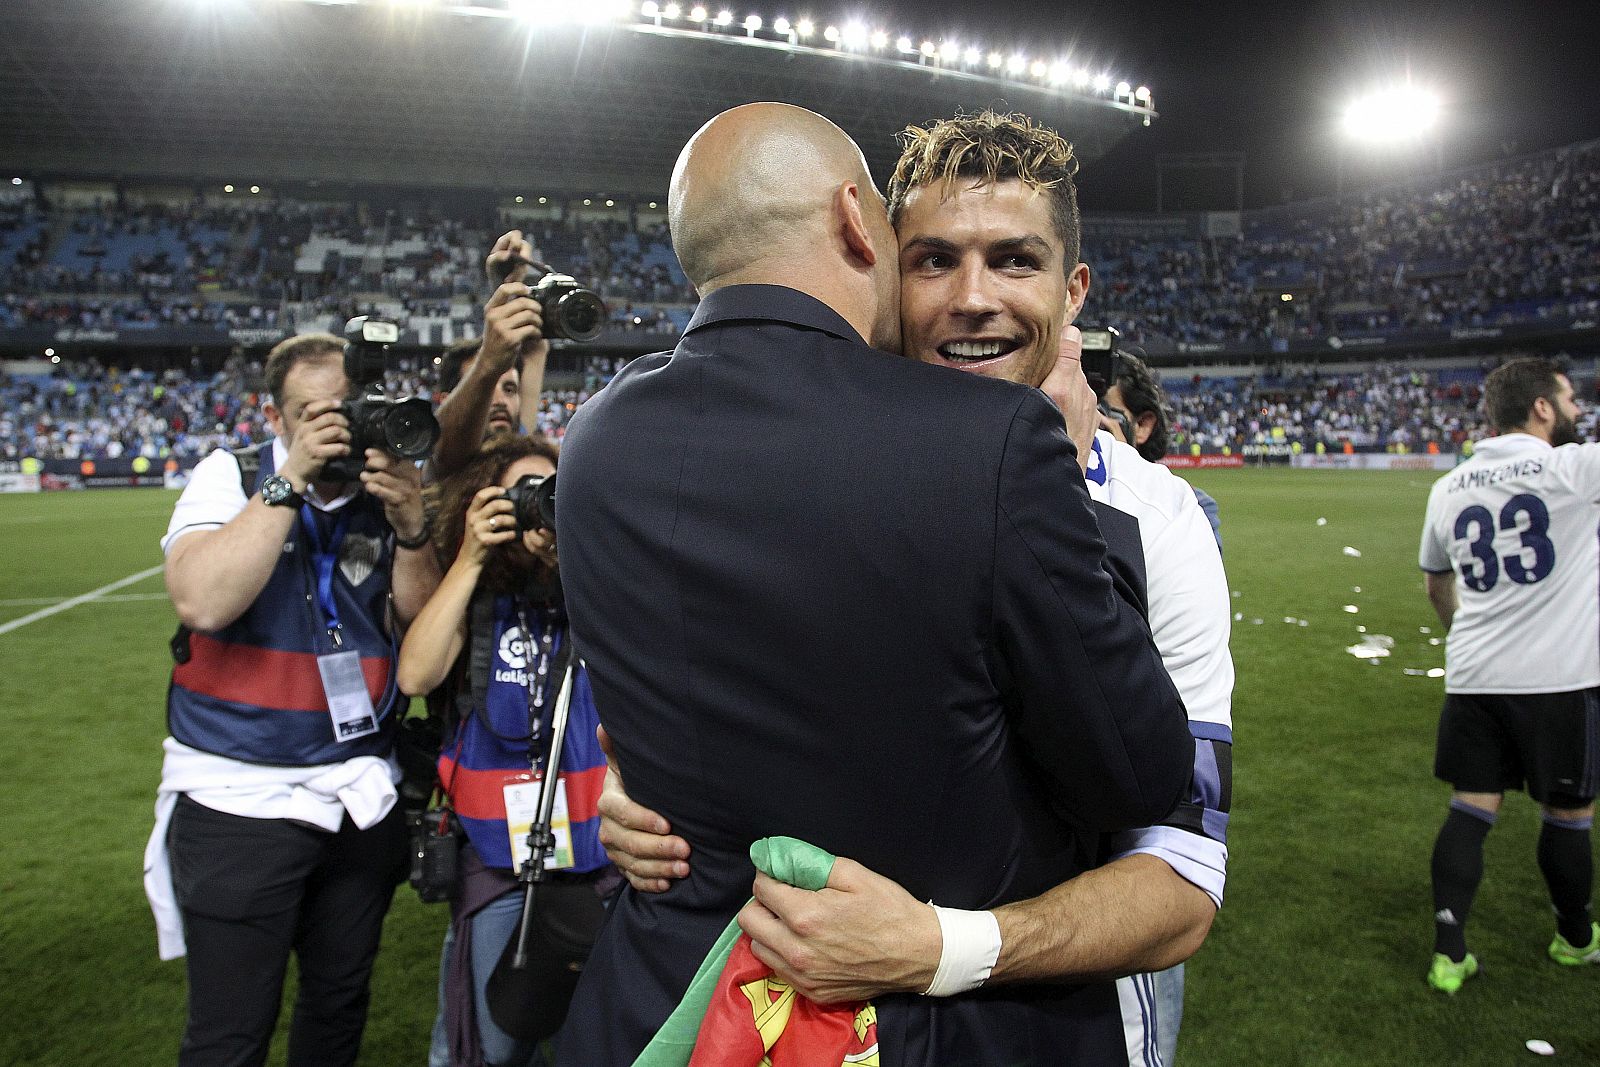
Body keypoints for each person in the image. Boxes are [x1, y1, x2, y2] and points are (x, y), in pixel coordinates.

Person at [553, 101, 1191, 1066]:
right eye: (928, 256)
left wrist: (648, 783)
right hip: (916, 1030)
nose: (967, 296)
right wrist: (1070, 489)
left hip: (664, 1004)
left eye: (1013, 261)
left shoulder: (596, 438)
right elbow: (1138, 779)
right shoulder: (999, 448)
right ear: (862, 223)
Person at [143, 332, 441, 1067]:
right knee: (231, 1030)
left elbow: (425, 640)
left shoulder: (385, 489)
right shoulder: (232, 474)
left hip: (358, 794)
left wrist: (411, 528)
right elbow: (202, 600)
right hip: (239, 798)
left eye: (345, 409)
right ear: (276, 420)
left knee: (337, 1010)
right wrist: (292, 479)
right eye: (312, 413)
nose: (333, 426)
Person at [397, 433, 615, 1067]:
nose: (537, 509)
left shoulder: (597, 584)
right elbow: (415, 677)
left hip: (600, 861)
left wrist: (578, 553)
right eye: (522, 495)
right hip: (499, 865)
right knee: (485, 1045)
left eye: (553, 493)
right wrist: (469, 558)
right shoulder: (478, 595)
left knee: (597, 1042)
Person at [1418, 356, 1600, 993]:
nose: (1578, 412)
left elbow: (1436, 582)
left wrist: (1463, 634)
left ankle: (1448, 952)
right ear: (1543, 408)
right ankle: (1575, 939)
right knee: (1569, 814)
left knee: (1470, 809)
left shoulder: (1449, 487)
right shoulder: (1576, 468)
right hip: (1560, 676)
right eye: (1571, 400)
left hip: (1475, 674)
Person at [431, 230, 548, 481]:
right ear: (445, 400)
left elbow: (535, 349)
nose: (500, 401)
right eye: (486, 388)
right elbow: (445, 445)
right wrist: (487, 364)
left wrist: (507, 285)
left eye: (509, 389)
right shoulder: (441, 469)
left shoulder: (517, 440)